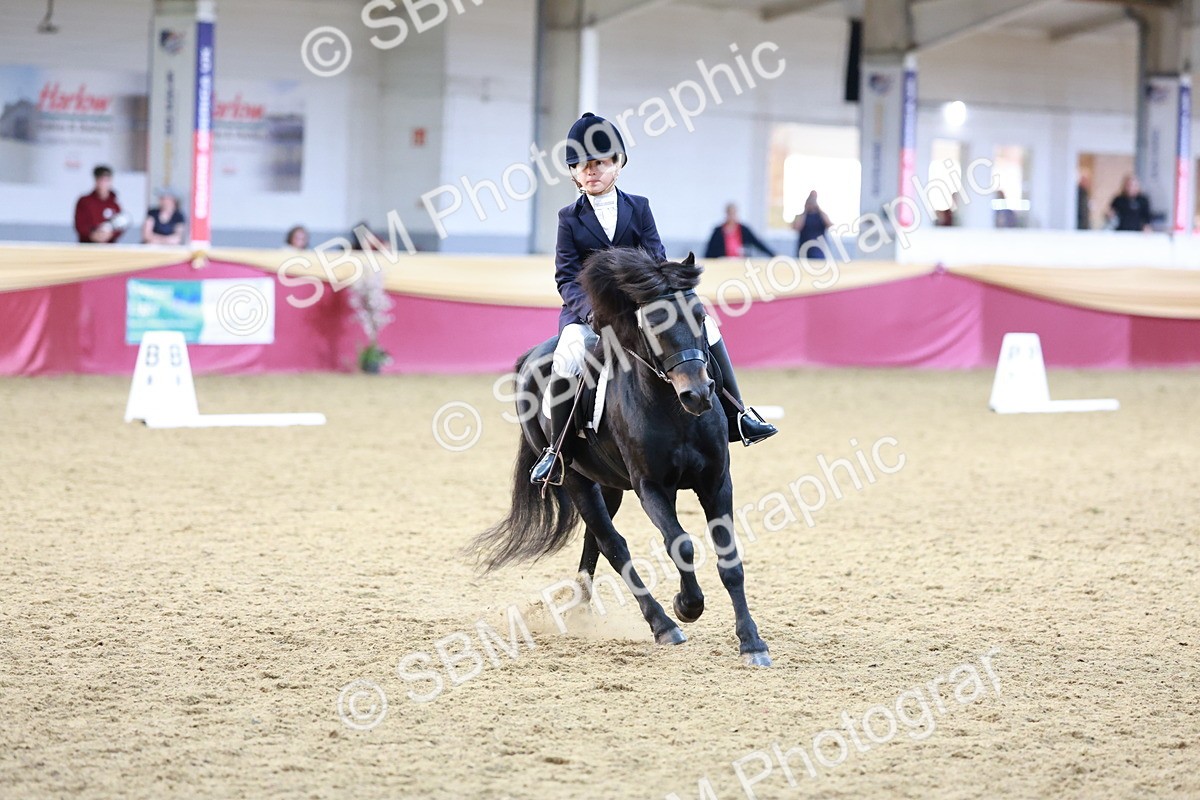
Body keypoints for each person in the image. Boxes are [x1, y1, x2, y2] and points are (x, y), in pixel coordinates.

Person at [529, 112, 778, 485]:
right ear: (573, 173)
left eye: (599, 163)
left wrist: (660, 297)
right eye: (581, 166)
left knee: (706, 324)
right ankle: (557, 451)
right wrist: (592, 313)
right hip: (588, 317)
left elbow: (656, 260)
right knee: (568, 354)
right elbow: (566, 277)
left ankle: (737, 415)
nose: (590, 171)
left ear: (618, 164)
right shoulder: (569, 217)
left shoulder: (639, 207)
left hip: (642, 312)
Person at [74, 165, 127, 243]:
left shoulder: (114, 204)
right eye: (101, 180)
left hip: (109, 248)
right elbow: (80, 225)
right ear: (96, 181)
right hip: (88, 246)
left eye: (106, 180)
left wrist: (110, 235)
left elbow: (119, 225)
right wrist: (93, 235)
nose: (103, 184)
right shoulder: (84, 201)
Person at [704, 203, 775, 258]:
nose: (732, 216)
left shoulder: (744, 230)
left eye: (733, 213)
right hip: (724, 262)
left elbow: (757, 243)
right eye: (730, 213)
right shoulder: (718, 231)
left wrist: (772, 254)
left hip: (740, 261)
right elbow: (709, 250)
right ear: (726, 214)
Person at [792, 191, 831, 259]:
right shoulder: (801, 216)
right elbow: (796, 228)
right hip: (803, 248)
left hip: (818, 249)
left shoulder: (821, 216)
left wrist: (818, 209)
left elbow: (829, 225)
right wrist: (805, 211)